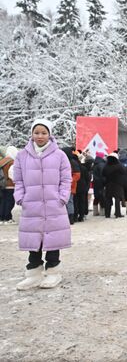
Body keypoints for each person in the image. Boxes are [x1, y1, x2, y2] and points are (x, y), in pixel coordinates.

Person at [14, 119, 72, 290]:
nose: (40, 136)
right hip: (31, 204)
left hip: (54, 204)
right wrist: (20, 197)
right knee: (33, 240)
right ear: (31, 134)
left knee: (53, 239)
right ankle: (34, 273)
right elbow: (17, 180)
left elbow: (66, 178)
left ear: (49, 134)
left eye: (44, 133)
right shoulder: (22, 156)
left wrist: (62, 197)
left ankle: (53, 271)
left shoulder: (60, 155)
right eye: (37, 132)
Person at [102, 153, 126, 219]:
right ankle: (118, 213)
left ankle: (107, 214)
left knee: (108, 199)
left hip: (108, 184)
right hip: (118, 184)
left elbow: (103, 174)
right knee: (117, 199)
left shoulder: (106, 166)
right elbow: (124, 171)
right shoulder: (119, 165)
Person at [0, 145, 17, 224]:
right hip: (10, 185)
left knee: (3, 202)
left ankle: (1, 218)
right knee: (9, 202)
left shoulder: (2, 161)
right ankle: (7, 218)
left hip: (2, 185)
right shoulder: (12, 162)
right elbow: (12, 174)